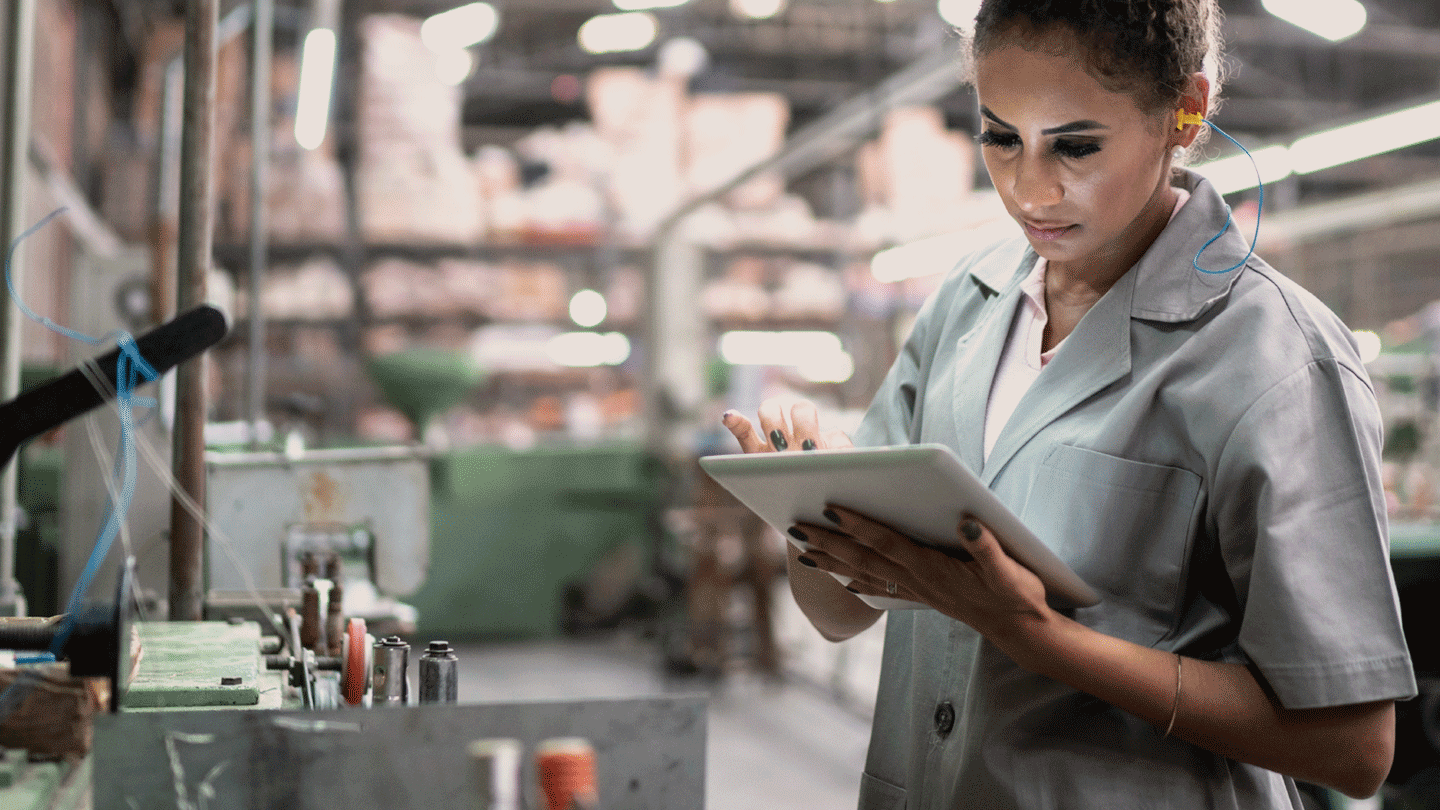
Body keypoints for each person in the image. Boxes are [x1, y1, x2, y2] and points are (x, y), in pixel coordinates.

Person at [719, 1, 1418, 807]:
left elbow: (1353, 745)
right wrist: (812, 514)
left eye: (1075, 145)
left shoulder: (1278, 359)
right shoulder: (968, 304)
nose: (1029, 189)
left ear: (1184, 113)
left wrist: (1044, 641)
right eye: (999, 137)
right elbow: (840, 615)